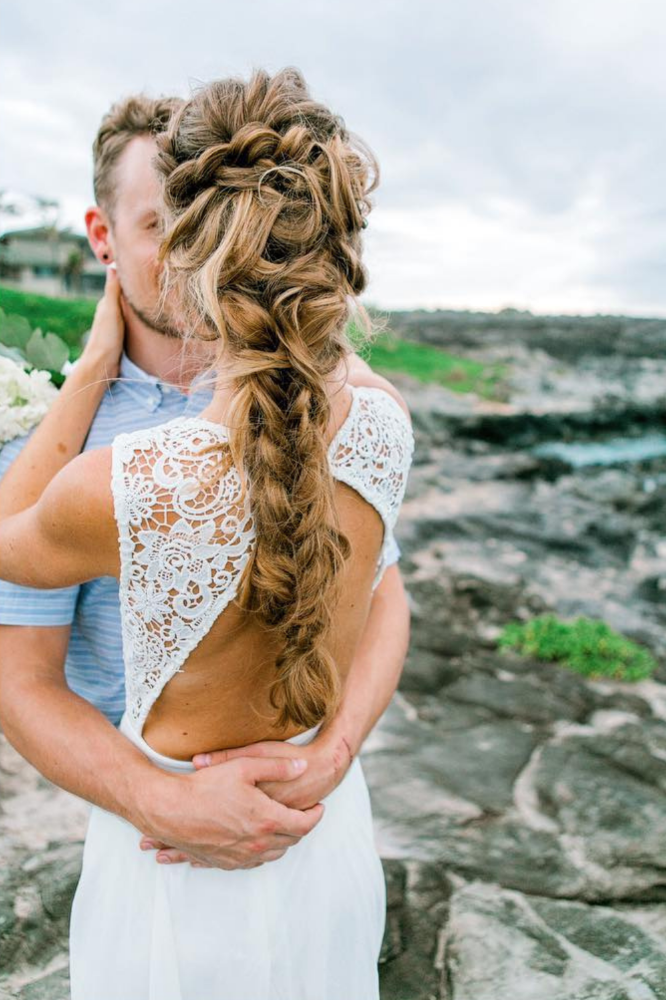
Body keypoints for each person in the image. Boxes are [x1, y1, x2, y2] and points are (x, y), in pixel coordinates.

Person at [0, 67, 415, 999]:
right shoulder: (378, 416)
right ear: (104, 240)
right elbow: (16, 676)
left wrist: (334, 753)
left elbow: (386, 599)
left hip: (290, 830)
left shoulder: (106, 484)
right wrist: (165, 802)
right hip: (190, 837)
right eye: (153, 224)